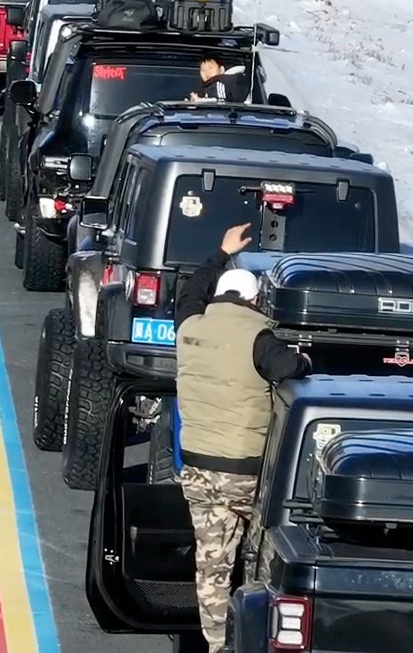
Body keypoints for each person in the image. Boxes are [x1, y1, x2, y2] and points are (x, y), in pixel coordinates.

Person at [174, 222, 311, 653]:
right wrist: (306, 358)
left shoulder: (189, 327)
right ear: (253, 300)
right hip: (247, 473)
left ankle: (217, 644)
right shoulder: (259, 337)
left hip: (198, 469)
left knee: (211, 566)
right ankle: (253, 637)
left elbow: (190, 294)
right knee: (257, 562)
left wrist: (219, 251)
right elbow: (289, 370)